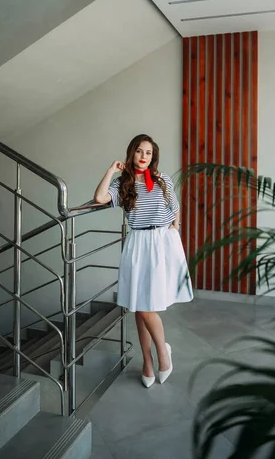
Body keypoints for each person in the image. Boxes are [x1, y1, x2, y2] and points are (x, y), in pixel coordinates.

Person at [94, 134, 193, 388]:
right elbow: (100, 198)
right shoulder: (122, 183)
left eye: (148, 153)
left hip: (161, 243)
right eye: (139, 151)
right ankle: (153, 357)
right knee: (140, 305)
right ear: (132, 153)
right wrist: (110, 170)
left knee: (145, 306)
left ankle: (157, 355)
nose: (143, 157)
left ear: (153, 156)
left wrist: (175, 226)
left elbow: (175, 205)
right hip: (138, 243)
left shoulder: (162, 179)